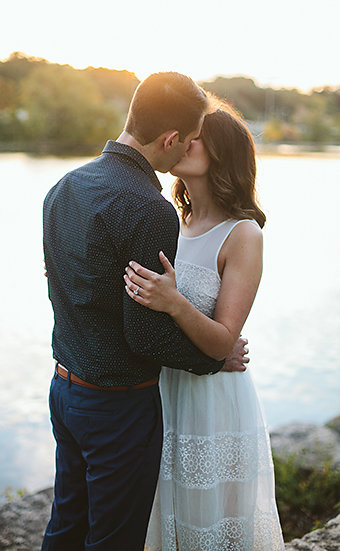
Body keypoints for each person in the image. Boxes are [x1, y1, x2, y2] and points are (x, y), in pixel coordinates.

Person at [41, 72, 249, 550]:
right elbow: (146, 336)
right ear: (170, 139)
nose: (191, 148)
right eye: (191, 139)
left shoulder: (65, 186)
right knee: (112, 541)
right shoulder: (149, 209)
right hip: (117, 406)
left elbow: (60, 285)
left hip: (63, 388)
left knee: (66, 525)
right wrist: (215, 359)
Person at [123, 106, 284, 550]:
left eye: (193, 137)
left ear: (221, 153)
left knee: (208, 524)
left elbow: (221, 343)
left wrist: (174, 302)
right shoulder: (170, 221)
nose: (179, 143)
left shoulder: (243, 234)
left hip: (212, 402)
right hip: (162, 393)